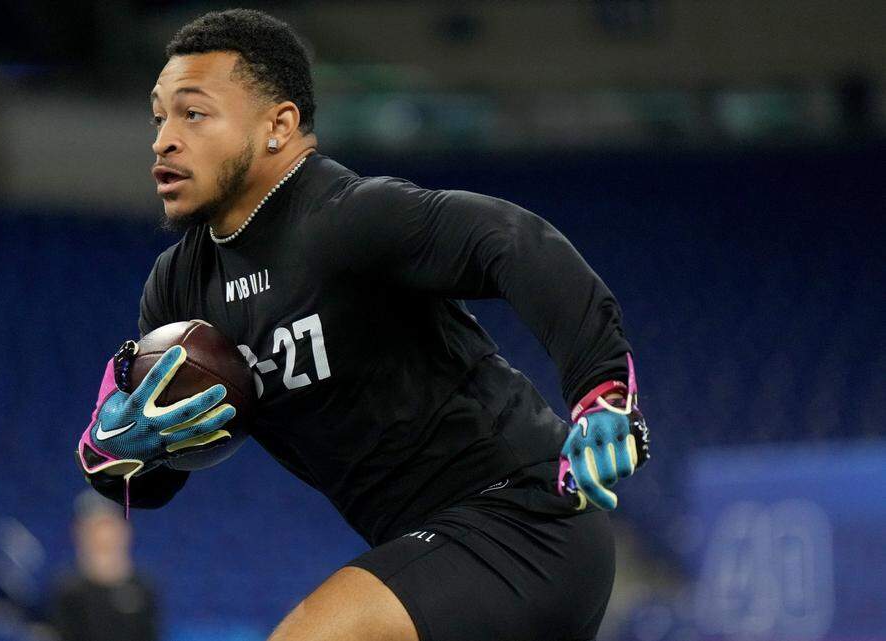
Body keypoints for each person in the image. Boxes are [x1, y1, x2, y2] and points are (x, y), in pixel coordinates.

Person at [75, 9, 651, 641]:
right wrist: (120, 448)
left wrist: (601, 389)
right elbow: (154, 484)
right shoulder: (178, 288)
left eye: (193, 113)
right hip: (429, 548)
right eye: (158, 117)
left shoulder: (346, 219)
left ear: (278, 126)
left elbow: (516, 241)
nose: (163, 139)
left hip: (523, 519)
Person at [50, 491, 159, 641]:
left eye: (108, 525)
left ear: (124, 530)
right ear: (80, 533)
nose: (102, 535)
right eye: (94, 528)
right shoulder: (67, 592)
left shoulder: (144, 588)